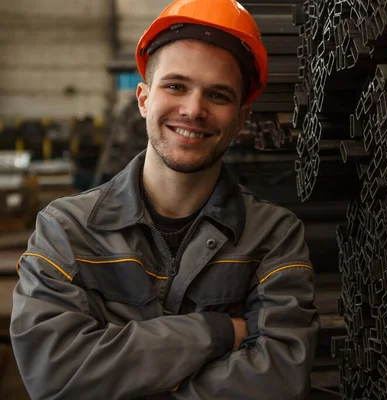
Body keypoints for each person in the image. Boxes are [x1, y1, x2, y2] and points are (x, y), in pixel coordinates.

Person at [10, 0, 319, 398]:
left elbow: (280, 378)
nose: (193, 110)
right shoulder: (66, 231)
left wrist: (124, 375)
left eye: (219, 95)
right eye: (176, 86)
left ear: (241, 120)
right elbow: (54, 373)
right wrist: (219, 331)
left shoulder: (274, 237)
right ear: (143, 98)